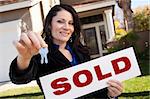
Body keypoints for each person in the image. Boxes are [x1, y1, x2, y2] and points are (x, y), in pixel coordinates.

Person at [9, 4, 123, 98]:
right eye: (60, 21)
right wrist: (24, 58)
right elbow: (20, 78)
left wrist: (111, 95)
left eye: (71, 23)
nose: (66, 27)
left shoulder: (81, 51)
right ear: (49, 25)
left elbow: (93, 88)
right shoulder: (40, 52)